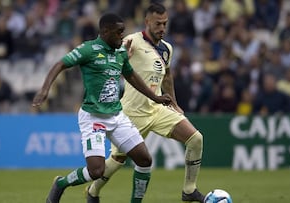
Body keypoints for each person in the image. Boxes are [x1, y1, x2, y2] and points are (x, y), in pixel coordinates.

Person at [32, 13, 172, 203]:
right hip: (93, 117)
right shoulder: (88, 50)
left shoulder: (120, 52)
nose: (122, 36)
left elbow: (131, 76)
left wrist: (154, 96)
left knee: (145, 160)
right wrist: (45, 89)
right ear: (105, 32)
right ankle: (61, 183)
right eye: (119, 32)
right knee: (96, 171)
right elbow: (60, 64)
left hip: (116, 115)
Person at [86, 3, 205, 203]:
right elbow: (110, 59)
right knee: (116, 161)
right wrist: (121, 57)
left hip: (157, 109)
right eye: (158, 24)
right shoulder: (131, 41)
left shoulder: (167, 48)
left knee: (196, 139)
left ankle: (189, 189)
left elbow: (167, 76)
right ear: (147, 21)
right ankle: (93, 191)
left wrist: (174, 104)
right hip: (132, 113)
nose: (162, 28)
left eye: (165, 24)